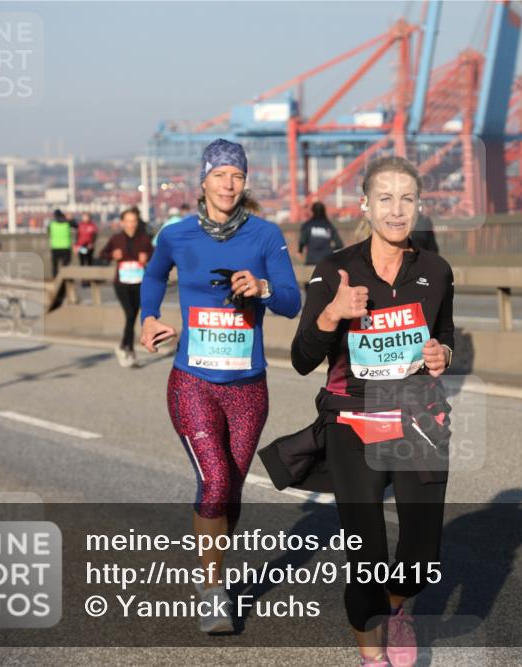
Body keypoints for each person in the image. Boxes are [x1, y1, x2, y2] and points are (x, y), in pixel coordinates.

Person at [290, 156, 454, 666]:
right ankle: (372, 658)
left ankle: (398, 606)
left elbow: (444, 335)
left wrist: (442, 354)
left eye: (407, 199)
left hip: (418, 417)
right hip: (353, 419)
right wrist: (334, 312)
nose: (397, 210)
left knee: (421, 553)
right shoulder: (336, 269)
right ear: (365, 205)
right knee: (366, 555)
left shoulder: (435, 270)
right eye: (385, 198)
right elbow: (301, 359)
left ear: (419, 205)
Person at [139, 139, 300, 634]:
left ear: (244, 182)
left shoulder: (266, 236)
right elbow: (152, 275)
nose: (228, 184)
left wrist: (264, 288)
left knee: (229, 493)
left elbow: (293, 302)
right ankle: (213, 592)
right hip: (193, 380)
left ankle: (214, 566)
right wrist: (148, 318)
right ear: (203, 182)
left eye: (236, 176)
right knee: (214, 481)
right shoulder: (177, 234)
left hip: (248, 386)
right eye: (219, 175)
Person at [101, 206, 153, 368]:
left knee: (132, 317)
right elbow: (102, 255)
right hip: (121, 283)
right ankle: (128, 348)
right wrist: (112, 255)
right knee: (130, 314)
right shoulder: (116, 239)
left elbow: (156, 255)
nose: (131, 224)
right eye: (128, 221)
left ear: (137, 222)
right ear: (122, 223)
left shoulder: (144, 239)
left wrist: (147, 257)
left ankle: (125, 347)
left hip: (139, 282)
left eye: (134, 221)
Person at [47, 209, 76, 278]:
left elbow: (48, 231)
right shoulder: (67, 223)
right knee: (65, 266)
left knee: (55, 266)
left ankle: (55, 279)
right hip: (66, 247)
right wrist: (69, 218)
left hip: (55, 247)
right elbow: (76, 225)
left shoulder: (51, 224)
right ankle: (65, 279)